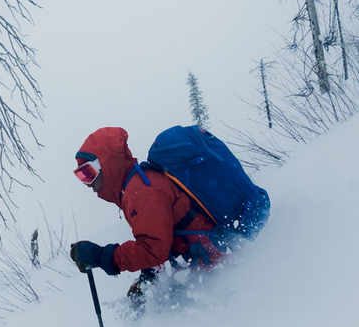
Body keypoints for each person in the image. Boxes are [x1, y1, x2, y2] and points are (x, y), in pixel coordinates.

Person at [69, 126, 239, 302]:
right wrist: (148, 275)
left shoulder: (141, 191)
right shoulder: (135, 186)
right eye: (81, 176)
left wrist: (102, 256)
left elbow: (153, 249)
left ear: (107, 164)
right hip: (200, 258)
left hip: (213, 262)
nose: (87, 184)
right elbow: (162, 237)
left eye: (89, 173)